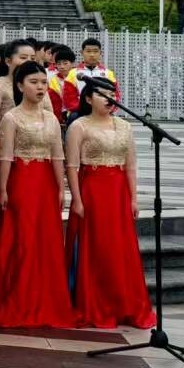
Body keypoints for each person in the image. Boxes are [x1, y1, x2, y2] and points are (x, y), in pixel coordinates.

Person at [66, 77, 155, 330]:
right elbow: (71, 167)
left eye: (112, 94)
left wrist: (133, 198)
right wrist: (77, 200)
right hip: (92, 189)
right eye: (102, 94)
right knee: (97, 247)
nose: (109, 99)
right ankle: (96, 302)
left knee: (120, 248)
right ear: (88, 98)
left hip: (118, 192)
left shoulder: (124, 126)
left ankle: (123, 303)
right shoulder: (79, 126)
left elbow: (131, 166)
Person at [0, 61, 75, 329]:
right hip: (22, 181)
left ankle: (48, 300)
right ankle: (20, 299)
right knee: (24, 240)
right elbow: (6, 157)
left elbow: (58, 156)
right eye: (34, 82)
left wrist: (61, 188)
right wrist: (3, 188)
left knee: (47, 241)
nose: (40, 87)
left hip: (45, 184)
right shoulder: (11, 118)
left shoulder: (51, 118)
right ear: (20, 85)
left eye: (43, 83)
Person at [0, 38, 36, 135]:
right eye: (23, 57)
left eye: (32, 58)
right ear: (8, 61)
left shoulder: (39, 85)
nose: (29, 62)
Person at [64, 38, 117, 117]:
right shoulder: (73, 73)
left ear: (100, 53)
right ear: (82, 53)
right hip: (80, 112)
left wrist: (106, 108)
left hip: (103, 111)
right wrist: (84, 109)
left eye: (95, 51)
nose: (92, 54)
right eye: (88, 51)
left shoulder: (108, 73)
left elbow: (116, 94)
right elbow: (69, 97)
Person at [47, 44, 76, 118]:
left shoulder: (78, 77)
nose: (62, 67)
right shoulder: (53, 80)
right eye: (59, 64)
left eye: (65, 63)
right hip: (59, 113)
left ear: (73, 64)